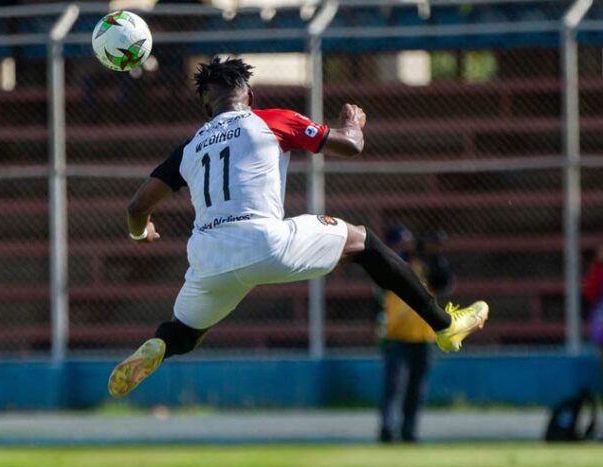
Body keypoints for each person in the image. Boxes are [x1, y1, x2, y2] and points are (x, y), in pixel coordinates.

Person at [107, 57, 489, 398]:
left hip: (207, 258)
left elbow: (137, 206)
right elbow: (350, 146)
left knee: (185, 332)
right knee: (364, 243)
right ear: (249, 95)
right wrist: (353, 123)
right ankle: (445, 326)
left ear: (207, 106)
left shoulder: (189, 148)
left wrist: (142, 232)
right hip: (265, 242)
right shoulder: (269, 119)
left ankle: (159, 345)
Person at [377, 226, 455, 443]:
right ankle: (388, 429)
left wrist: (436, 255)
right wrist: (416, 250)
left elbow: (444, 284)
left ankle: (409, 430)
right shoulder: (392, 263)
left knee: (416, 389)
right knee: (394, 388)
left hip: (424, 335)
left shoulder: (426, 265)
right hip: (397, 335)